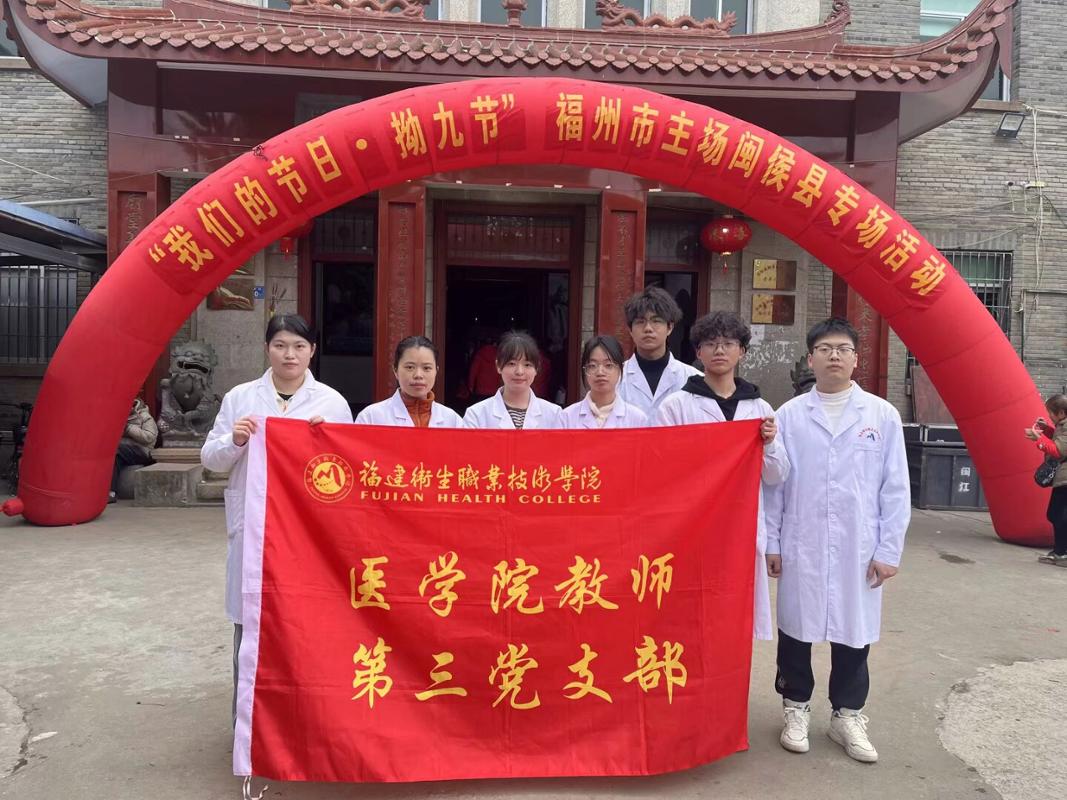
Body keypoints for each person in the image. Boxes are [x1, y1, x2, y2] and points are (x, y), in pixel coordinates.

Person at [764, 317, 910, 764]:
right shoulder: (788, 416)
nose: (834, 356)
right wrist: (773, 542)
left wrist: (888, 551)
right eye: (825, 349)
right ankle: (796, 707)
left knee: (853, 631)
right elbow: (775, 487)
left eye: (842, 349)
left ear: (855, 359)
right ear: (810, 358)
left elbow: (895, 489)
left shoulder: (882, 416)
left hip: (858, 546)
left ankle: (847, 714)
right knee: (796, 629)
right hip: (802, 542)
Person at [201, 314, 352, 723]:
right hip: (254, 531)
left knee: (304, 628)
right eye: (281, 345)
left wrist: (329, 441)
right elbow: (210, 458)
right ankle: (247, 729)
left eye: (299, 346)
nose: (290, 355)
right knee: (251, 628)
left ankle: (304, 722)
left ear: (312, 351)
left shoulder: (332, 403)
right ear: (267, 348)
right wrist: (234, 440)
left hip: (308, 534)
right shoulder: (240, 398)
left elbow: (347, 473)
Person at [656, 312, 787, 640]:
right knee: (690, 616)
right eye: (711, 344)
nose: (719, 350)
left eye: (728, 343)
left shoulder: (760, 410)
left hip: (741, 528)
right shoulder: (676, 406)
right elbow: (660, 469)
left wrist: (769, 444)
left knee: (735, 617)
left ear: (742, 351)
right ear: (698, 352)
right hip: (691, 527)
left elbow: (776, 475)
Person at [617, 286, 701, 417]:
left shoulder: (693, 379)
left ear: (670, 327)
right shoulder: (616, 378)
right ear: (630, 330)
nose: (648, 328)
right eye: (640, 322)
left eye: (656, 321)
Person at [355, 336, 463, 427]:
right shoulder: (371, 418)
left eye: (426, 368)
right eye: (410, 367)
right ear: (395, 370)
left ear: (436, 371)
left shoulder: (453, 420)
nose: (418, 375)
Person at [463, 332, 562, 429]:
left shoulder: (554, 414)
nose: (519, 372)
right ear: (499, 366)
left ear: (536, 368)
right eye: (511, 364)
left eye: (527, 365)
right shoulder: (476, 415)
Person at [560, 335, 649, 429]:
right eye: (592, 365)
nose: (600, 372)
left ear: (620, 369)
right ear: (584, 370)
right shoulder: (567, 417)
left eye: (608, 365)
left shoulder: (637, 419)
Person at [1025, 393, 1067, 565]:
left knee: (1057, 514)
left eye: (1050, 412)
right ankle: (1060, 551)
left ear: (1061, 413)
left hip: (1065, 480)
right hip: (1063, 478)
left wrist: (1039, 439)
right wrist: (1047, 429)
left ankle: (1061, 552)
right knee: (1057, 514)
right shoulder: (1062, 425)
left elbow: (1059, 451)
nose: (1049, 416)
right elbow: (1060, 441)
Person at [109, 396, 158, 502]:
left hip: (141, 451)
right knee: (112, 456)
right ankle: (109, 492)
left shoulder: (145, 417)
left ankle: (111, 492)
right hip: (122, 450)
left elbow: (149, 437)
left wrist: (129, 429)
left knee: (117, 451)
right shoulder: (118, 418)